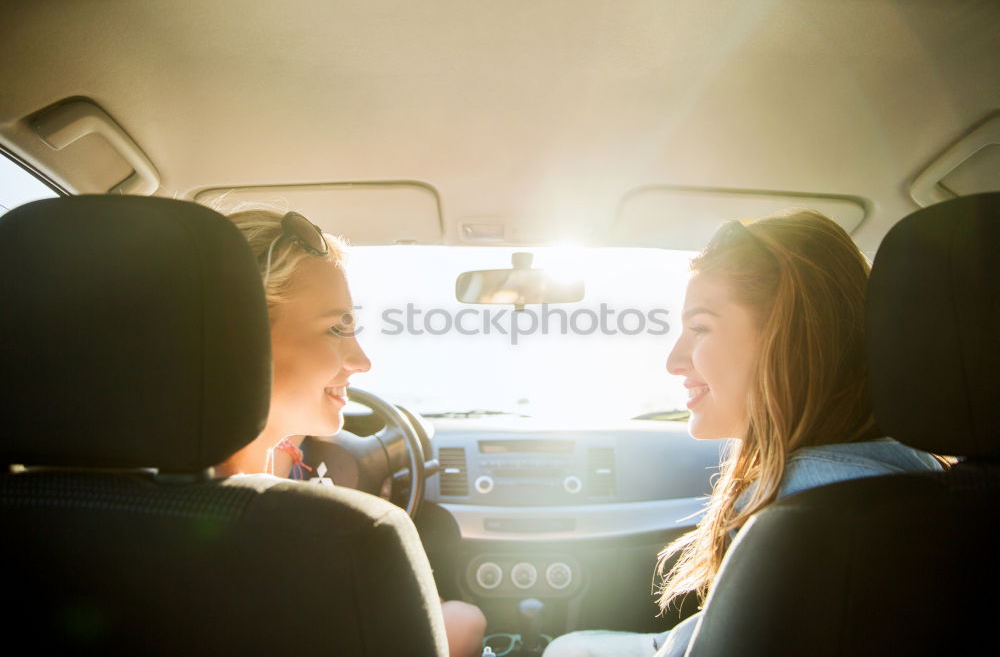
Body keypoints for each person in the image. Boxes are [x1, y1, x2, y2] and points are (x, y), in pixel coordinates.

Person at [543, 209, 944, 657]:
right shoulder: (923, 471)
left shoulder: (800, 507)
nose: (674, 361)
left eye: (699, 328)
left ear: (787, 341)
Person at [215, 207, 487, 657]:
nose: (362, 361)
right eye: (337, 327)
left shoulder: (80, 510)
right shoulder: (355, 536)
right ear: (243, 339)